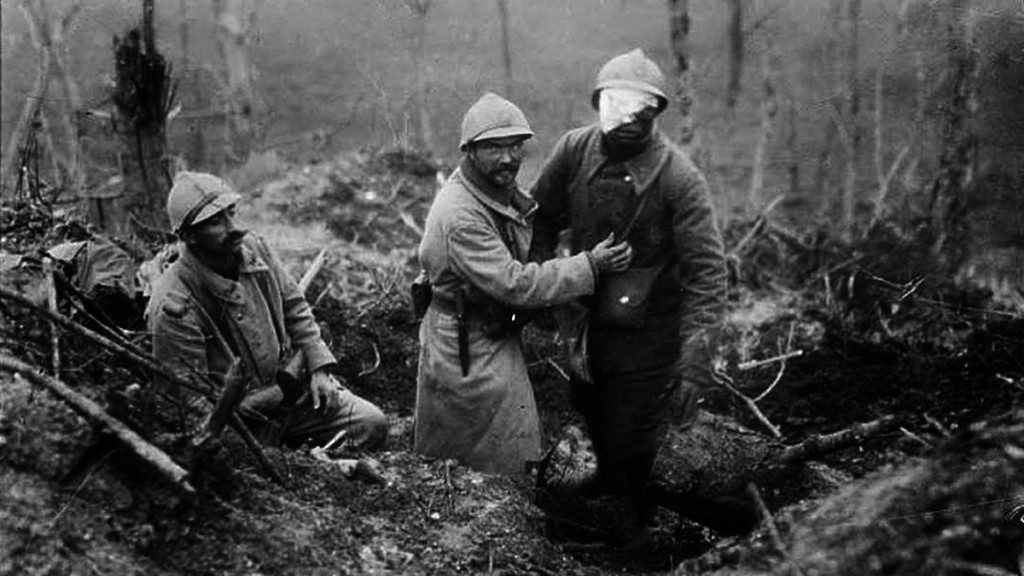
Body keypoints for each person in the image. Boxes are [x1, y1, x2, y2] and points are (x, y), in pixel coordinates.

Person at [529, 49, 727, 517]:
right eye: (618, 104)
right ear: (599, 104)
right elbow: (538, 219)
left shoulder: (680, 179)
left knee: (632, 430)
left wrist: (695, 366)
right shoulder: (573, 152)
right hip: (584, 321)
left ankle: (632, 523)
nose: (629, 117)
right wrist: (539, 286)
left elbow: (708, 276)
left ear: (657, 112)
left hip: (650, 334)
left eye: (643, 107)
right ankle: (610, 489)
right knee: (593, 408)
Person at [415, 93, 633, 476]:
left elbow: (527, 226)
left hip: (488, 328)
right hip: (464, 342)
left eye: (515, 146)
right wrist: (589, 266)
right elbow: (515, 284)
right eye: (494, 148)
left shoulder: (491, 189)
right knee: (471, 453)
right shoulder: (460, 214)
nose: (508, 158)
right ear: (469, 152)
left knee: (507, 438)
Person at [147, 171, 387, 453]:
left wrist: (319, 369)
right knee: (261, 470)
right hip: (240, 424)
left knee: (371, 424)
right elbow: (190, 404)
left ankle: (315, 459)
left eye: (231, 213)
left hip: (294, 397)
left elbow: (295, 308)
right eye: (215, 222)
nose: (233, 227)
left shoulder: (253, 249)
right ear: (189, 237)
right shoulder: (174, 307)